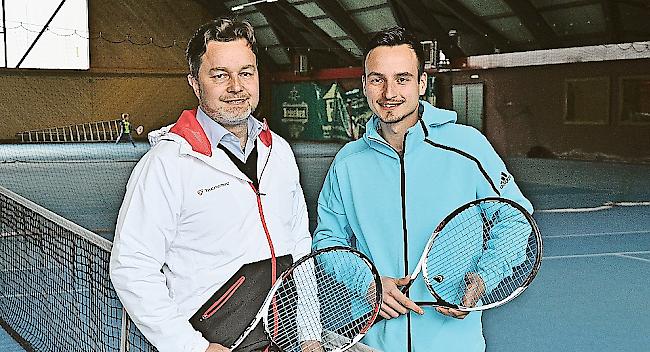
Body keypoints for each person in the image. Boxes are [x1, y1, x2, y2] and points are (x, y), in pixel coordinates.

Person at [312, 27, 533, 352]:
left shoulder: (468, 147)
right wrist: (367, 284)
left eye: (402, 79)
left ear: (421, 83)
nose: (389, 92)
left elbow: (515, 218)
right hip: (372, 342)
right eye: (377, 79)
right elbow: (328, 239)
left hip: (454, 344)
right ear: (364, 85)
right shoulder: (347, 163)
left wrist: (484, 278)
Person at [109, 18, 312, 352]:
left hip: (282, 339)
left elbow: (300, 246)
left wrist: (309, 335)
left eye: (246, 72)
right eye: (220, 75)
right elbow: (132, 266)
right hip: (212, 342)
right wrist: (192, 347)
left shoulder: (280, 152)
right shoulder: (167, 164)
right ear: (195, 83)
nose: (236, 86)